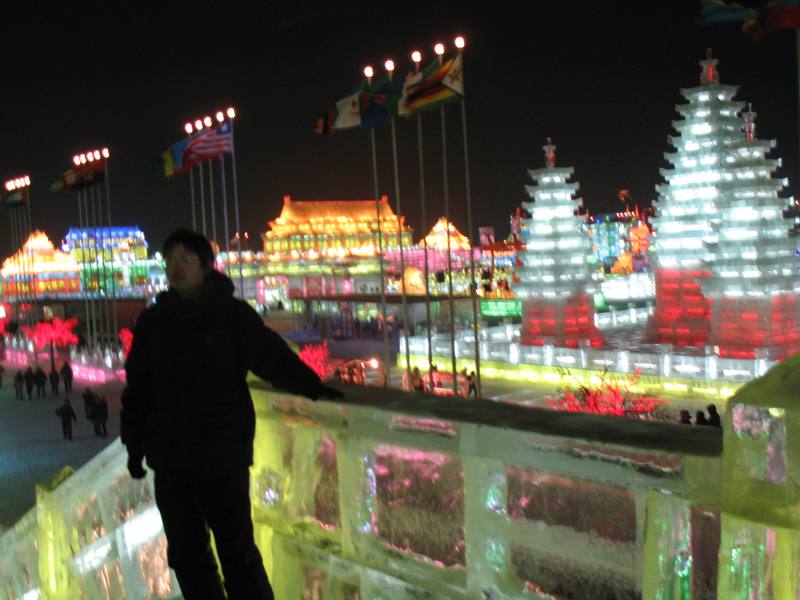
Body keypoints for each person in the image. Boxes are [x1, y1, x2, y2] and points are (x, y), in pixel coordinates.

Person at [120, 229, 342, 600]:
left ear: (206, 266)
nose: (177, 268)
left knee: (237, 553)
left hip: (221, 456)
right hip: (171, 461)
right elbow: (138, 388)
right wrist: (134, 446)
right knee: (188, 556)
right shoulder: (154, 323)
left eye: (186, 260)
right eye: (171, 260)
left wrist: (312, 385)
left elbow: (270, 356)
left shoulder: (231, 315)